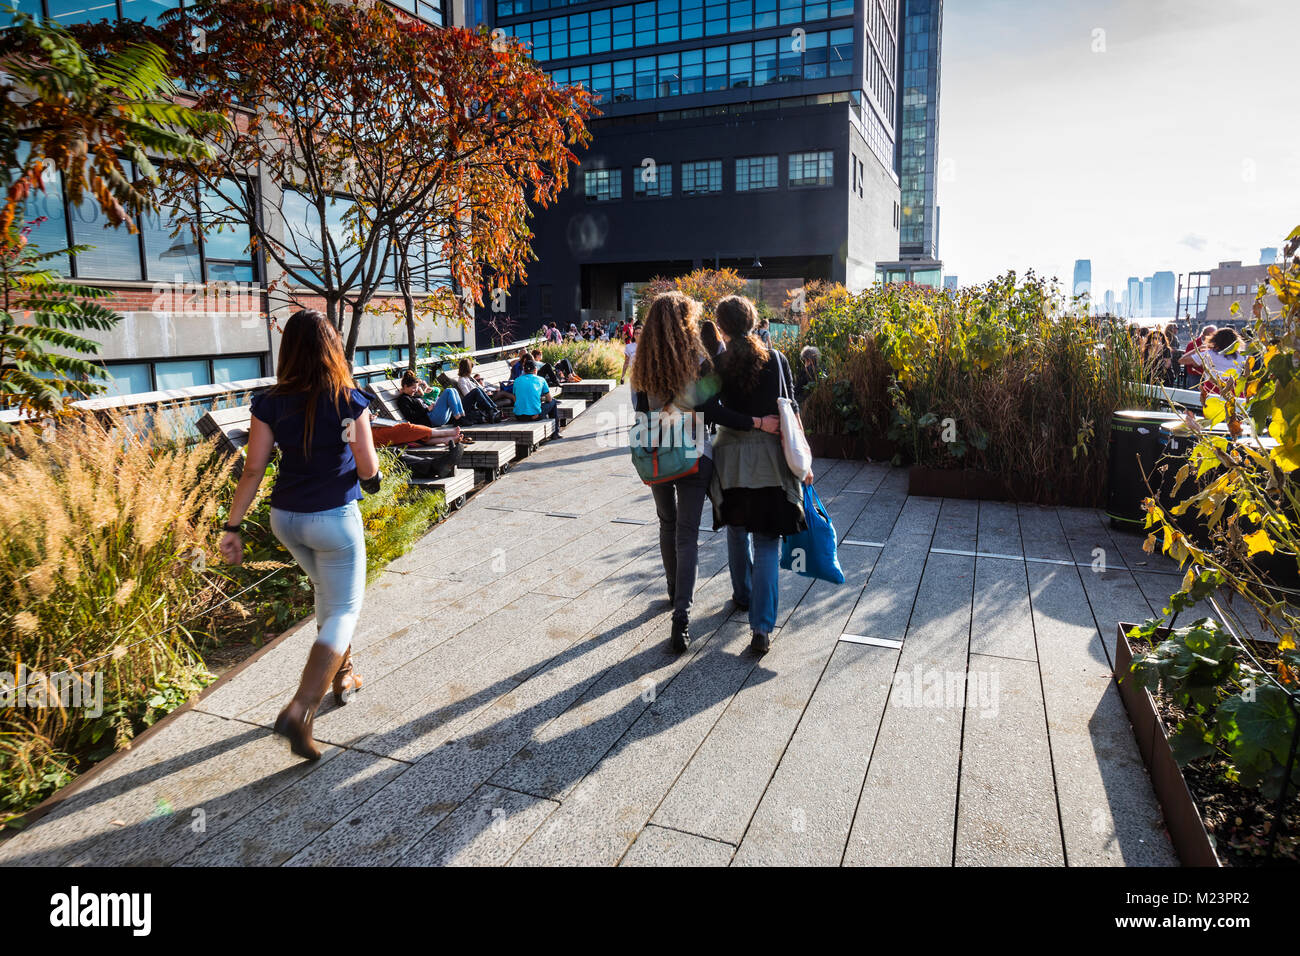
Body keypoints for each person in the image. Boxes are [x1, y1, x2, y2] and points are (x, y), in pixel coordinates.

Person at [219, 310, 378, 761]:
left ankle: (343, 673)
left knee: (326, 599)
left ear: (287, 350)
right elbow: (367, 468)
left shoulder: (269, 403)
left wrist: (232, 527)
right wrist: (374, 474)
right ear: (332, 348)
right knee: (345, 608)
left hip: (286, 519)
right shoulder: (349, 401)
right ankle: (301, 708)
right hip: (333, 518)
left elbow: (253, 468)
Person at [631, 291, 759, 652]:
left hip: (656, 455)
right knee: (687, 534)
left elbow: (640, 412)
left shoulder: (643, 363)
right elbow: (710, 407)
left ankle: (674, 592)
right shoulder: (698, 360)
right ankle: (681, 618)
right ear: (686, 320)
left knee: (666, 523)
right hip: (692, 455)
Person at [710, 295, 812, 654]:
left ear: (722, 326)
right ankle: (762, 628)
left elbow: (710, 410)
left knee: (737, 529)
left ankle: (742, 595)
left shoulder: (718, 363)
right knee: (768, 540)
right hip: (770, 458)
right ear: (754, 321)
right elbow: (791, 407)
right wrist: (805, 460)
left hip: (730, 459)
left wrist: (747, 421)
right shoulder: (778, 359)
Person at [395, 369, 471, 431]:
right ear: (405, 386)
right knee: (448, 391)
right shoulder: (403, 399)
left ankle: (462, 416)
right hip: (431, 419)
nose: (415, 390)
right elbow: (411, 416)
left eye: (416, 388)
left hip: (434, 416)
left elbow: (428, 393)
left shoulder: (413, 396)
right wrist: (427, 409)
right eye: (413, 388)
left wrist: (423, 387)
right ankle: (458, 419)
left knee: (453, 390)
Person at [1180, 326, 1243, 399]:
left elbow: (1182, 360)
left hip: (1212, 392)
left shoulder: (1210, 354)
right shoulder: (1241, 356)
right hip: (1235, 394)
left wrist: (1199, 348)